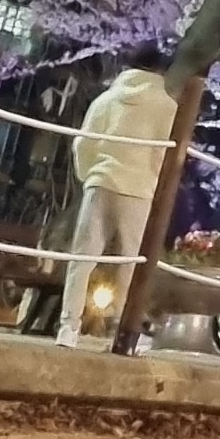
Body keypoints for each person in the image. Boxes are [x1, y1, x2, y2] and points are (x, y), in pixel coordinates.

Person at [54, 64, 177, 342]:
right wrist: (154, 181)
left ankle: (68, 327)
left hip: (100, 181)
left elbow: (82, 144)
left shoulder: (106, 99)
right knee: (130, 262)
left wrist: (90, 174)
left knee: (82, 258)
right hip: (138, 188)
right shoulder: (166, 106)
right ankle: (125, 330)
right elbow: (164, 154)